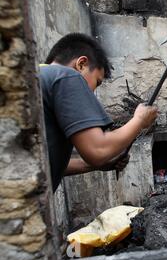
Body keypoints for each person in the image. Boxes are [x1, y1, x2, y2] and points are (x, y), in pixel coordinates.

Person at [39, 33, 158, 192]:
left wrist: (93, 165)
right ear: (81, 64)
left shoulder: (40, 77)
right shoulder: (67, 76)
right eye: (97, 82)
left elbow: (45, 165)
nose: (93, 91)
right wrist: (139, 121)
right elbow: (98, 150)